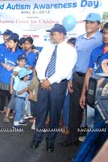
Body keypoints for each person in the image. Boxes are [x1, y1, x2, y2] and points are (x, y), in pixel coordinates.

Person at [30, 24, 77, 152]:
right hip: (43, 83)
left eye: (53, 33)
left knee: (55, 114)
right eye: (50, 33)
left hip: (58, 85)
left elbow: (66, 70)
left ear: (61, 35)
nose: (51, 36)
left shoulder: (70, 50)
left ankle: (50, 141)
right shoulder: (47, 47)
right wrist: (43, 79)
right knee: (41, 112)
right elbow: (39, 64)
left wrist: (49, 81)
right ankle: (37, 138)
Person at [60, 13, 103, 147]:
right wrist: (70, 79)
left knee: (91, 111)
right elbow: (74, 60)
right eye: (87, 22)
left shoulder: (102, 39)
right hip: (77, 77)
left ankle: (92, 143)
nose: (88, 25)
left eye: (92, 22)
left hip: (93, 79)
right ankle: (72, 138)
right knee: (74, 110)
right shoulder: (79, 39)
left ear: (99, 24)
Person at [79, 20, 108, 129]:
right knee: (90, 126)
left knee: (104, 129)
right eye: (104, 33)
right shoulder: (96, 50)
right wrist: (84, 94)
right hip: (92, 95)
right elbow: (89, 72)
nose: (106, 36)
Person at [0, 33, 22, 114]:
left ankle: (10, 111)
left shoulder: (19, 53)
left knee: (10, 95)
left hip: (12, 78)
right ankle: (1, 108)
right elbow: (1, 61)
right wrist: (4, 65)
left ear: (16, 43)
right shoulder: (6, 51)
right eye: (8, 42)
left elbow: (21, 65)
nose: (9, 44)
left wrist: (12, 67)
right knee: (2, 94)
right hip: (3, 76)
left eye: (10, 42)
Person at [3, 54, 26, 123]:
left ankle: (19, 117)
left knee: (20, 103)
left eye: (24, 61)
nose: (23, 63)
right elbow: (12, 79)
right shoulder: (16, 69)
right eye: (21, 61)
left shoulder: (24, 69)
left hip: (21, 89)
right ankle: (6, 116)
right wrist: (11, 88)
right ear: (17, 62)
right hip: (16, 89)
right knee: (12, 102)